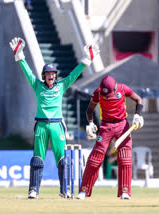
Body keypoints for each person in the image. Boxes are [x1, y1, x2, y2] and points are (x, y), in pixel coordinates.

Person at [9, 37, 100, 199]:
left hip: (57, 125)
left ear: (55, 76)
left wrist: (87, 60)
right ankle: (33, 190)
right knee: (37, 159)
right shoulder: (37, 85)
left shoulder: (61, 85)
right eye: (48, 74)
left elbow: (74, 74)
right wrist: (20, 56)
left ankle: (64, 189)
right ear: (44, 76)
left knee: (63, 160)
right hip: (41, 125)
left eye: (53, 74)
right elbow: (28, 72)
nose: (51, 76)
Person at [76, 76, 144, 200]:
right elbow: (89, 110)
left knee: (125, 157)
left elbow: (138, 99)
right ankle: (84, 190)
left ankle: (125, 191)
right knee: (95, 159)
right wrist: (90, 123)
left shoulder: (123, 88)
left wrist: (138, 115)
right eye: (104, 94)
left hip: (122, 125)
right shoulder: (98, 92)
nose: (106, 96)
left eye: (108, 94)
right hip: (105, 126)